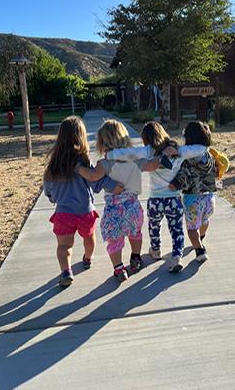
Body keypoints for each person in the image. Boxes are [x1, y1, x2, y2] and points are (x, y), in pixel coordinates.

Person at [106, 121, 206, 273]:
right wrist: (178, 149)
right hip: (174, 199)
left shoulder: (149, 151)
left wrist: (110, 154)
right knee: (176, 230)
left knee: (154, 227)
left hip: (155, 200)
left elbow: (129, 153)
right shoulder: (179, 150)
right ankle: (177, 257)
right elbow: (202, 149)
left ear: (146, 138)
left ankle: (156, 250)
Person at [43, 116, 124, 287]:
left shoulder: (54, 164)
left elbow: (48, 184)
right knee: (89, 237)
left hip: (63, 213)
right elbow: (96, 181)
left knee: (64, 246)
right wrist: (114, 185)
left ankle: (66, 271)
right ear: (82, 137)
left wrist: (51, 196)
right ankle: (87, 258)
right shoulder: (83, 162)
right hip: (85, 212)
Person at [76, 120, 159, 283]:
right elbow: (152, 166)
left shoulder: (105, 163)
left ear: (102, 143)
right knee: (135, 234)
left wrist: (78, 168)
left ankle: (119, 268)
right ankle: (135, 259)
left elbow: (92, 176)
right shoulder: (136, 160)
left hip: (114, 209)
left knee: (115, 240)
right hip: (133, 207)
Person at [168, 121, 218, 265]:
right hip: (209, 197)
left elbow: (184, 175)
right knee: (205, 220)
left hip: (193, 199)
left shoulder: (187, 159)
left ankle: (200, 251)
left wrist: (174, 185)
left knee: (191, 228)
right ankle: (201, 238)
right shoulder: (210, 156)